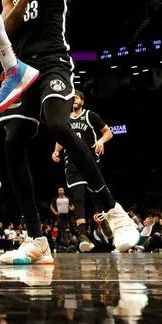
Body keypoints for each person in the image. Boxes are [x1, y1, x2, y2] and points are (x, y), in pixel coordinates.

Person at [0, 0, 139, 264]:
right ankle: (36, 239)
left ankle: (113, 211)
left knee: (59, 125)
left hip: (53, 64)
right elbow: (5, 29)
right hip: (21, 70)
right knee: (13, 142)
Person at [50, 91, 112, 252]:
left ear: (82, 101)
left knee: (96, 197)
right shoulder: (65, 119)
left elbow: (108, 132)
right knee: (78, 197)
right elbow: (60, 139)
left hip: (90, 160)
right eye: (71, 99)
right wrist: (56, 151)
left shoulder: (91, 116)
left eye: (76, 98)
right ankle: (83, 235)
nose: (73, 100)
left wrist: (100, 141)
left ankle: (103, 222)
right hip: (72, 163)